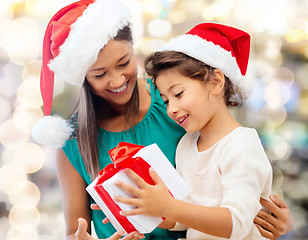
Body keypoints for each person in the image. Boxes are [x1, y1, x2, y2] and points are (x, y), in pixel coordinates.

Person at [31, 0, 294, 239]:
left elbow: (235, 176)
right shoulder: (75, 141)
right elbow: (75, 231)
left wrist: (271, 219)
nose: (117, 80)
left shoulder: (177, 101)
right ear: (83, 77)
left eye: (124, 63)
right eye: (99, 74)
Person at [111, 23, 293, 240]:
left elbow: (236, 224)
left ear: (216, 82)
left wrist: (170, 207)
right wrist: (144, 206)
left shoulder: (241, 144)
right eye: (166, 100)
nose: (172, 109)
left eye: (178, 94)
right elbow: (183, 218)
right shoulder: (186, 145)